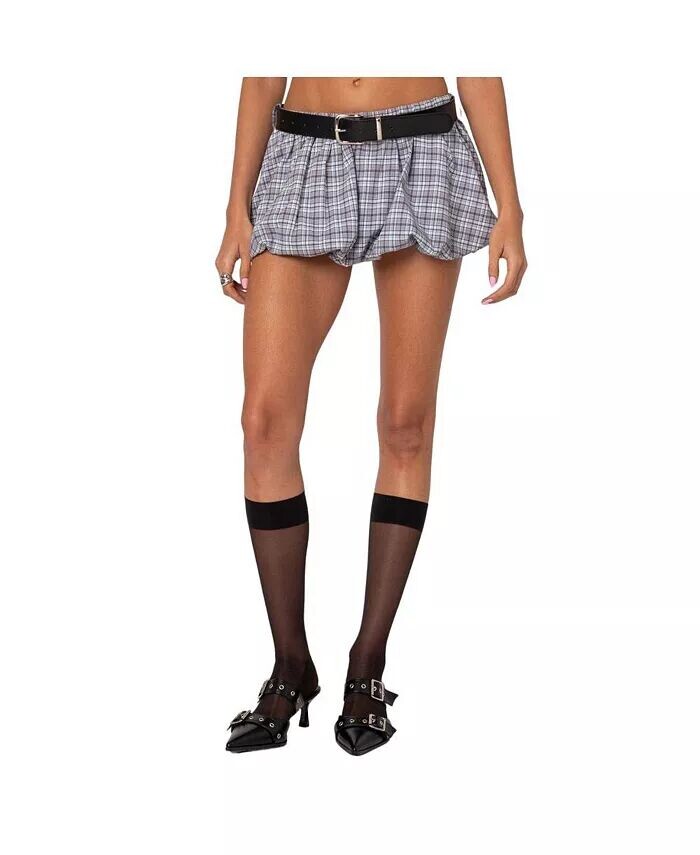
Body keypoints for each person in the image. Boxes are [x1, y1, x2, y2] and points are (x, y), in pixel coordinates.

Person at [217, 77, 526, 755]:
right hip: (304, 150)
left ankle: (368, 664)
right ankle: (291, 665)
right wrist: (237, 206)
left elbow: (477, 60)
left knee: (406, 424)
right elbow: (262, 69)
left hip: (422, 149)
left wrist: (511, 206)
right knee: (264, 422)